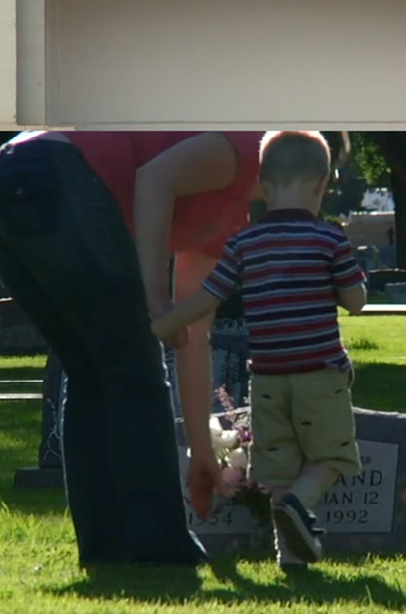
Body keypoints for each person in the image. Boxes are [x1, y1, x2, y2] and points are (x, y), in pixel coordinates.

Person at [0, 131, 265, 567]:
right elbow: (155, 178)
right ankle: (162, 548)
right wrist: (152, 293)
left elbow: (192, 337)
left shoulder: (228, 219)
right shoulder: (245, 146)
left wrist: (202, 455)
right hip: (50, 171)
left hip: (1, 187)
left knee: (92, 373)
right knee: (135, 372)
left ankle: (105, 548)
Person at [152, 131, 367, 570]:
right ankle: (300, 506)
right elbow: (355, 301)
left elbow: (205, 299)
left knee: (278, 471)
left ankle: (291, 558)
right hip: (319, 372)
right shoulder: (329, 239)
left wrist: (159, 325)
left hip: (267, 375)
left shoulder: (244, 244)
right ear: (322, 183)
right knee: (329, 454)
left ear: (263, 184)